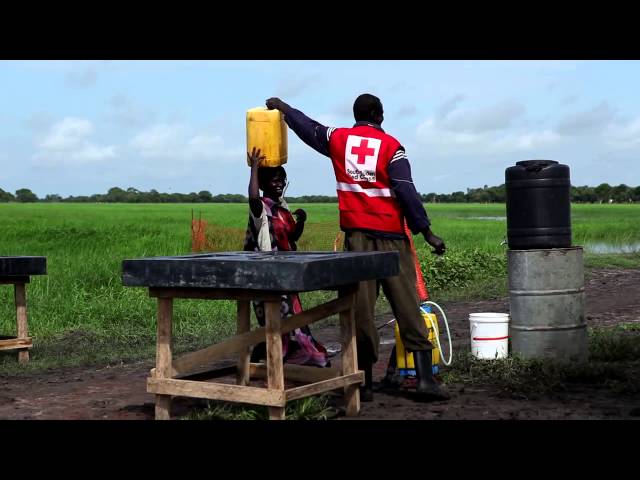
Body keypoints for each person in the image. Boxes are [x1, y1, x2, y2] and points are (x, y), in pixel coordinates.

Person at [265, 94, 448, 401]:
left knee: (360, 310)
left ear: (356, 114)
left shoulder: (339, 140)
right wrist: (427, 233)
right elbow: (406, 191)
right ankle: (425, 380)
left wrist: (284, 109)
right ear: (378, 114)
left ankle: (363, 383)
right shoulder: (393, 148)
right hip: (391, 240)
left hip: (357, 240)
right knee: (406, 304)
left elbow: (309, 128)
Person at [243, 147, 329, 368]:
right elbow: (252, 197)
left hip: (286, 273)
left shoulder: (282, 207)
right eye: (274, 180)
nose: (279, 184)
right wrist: (254, 168)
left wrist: (300, 222)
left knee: (290, 319)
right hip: (267, 274)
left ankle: (284, 355)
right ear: (263, 185)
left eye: (282, 180)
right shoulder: (261, 208)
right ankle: (276, 357)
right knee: (277, 320)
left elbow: (291, 236)